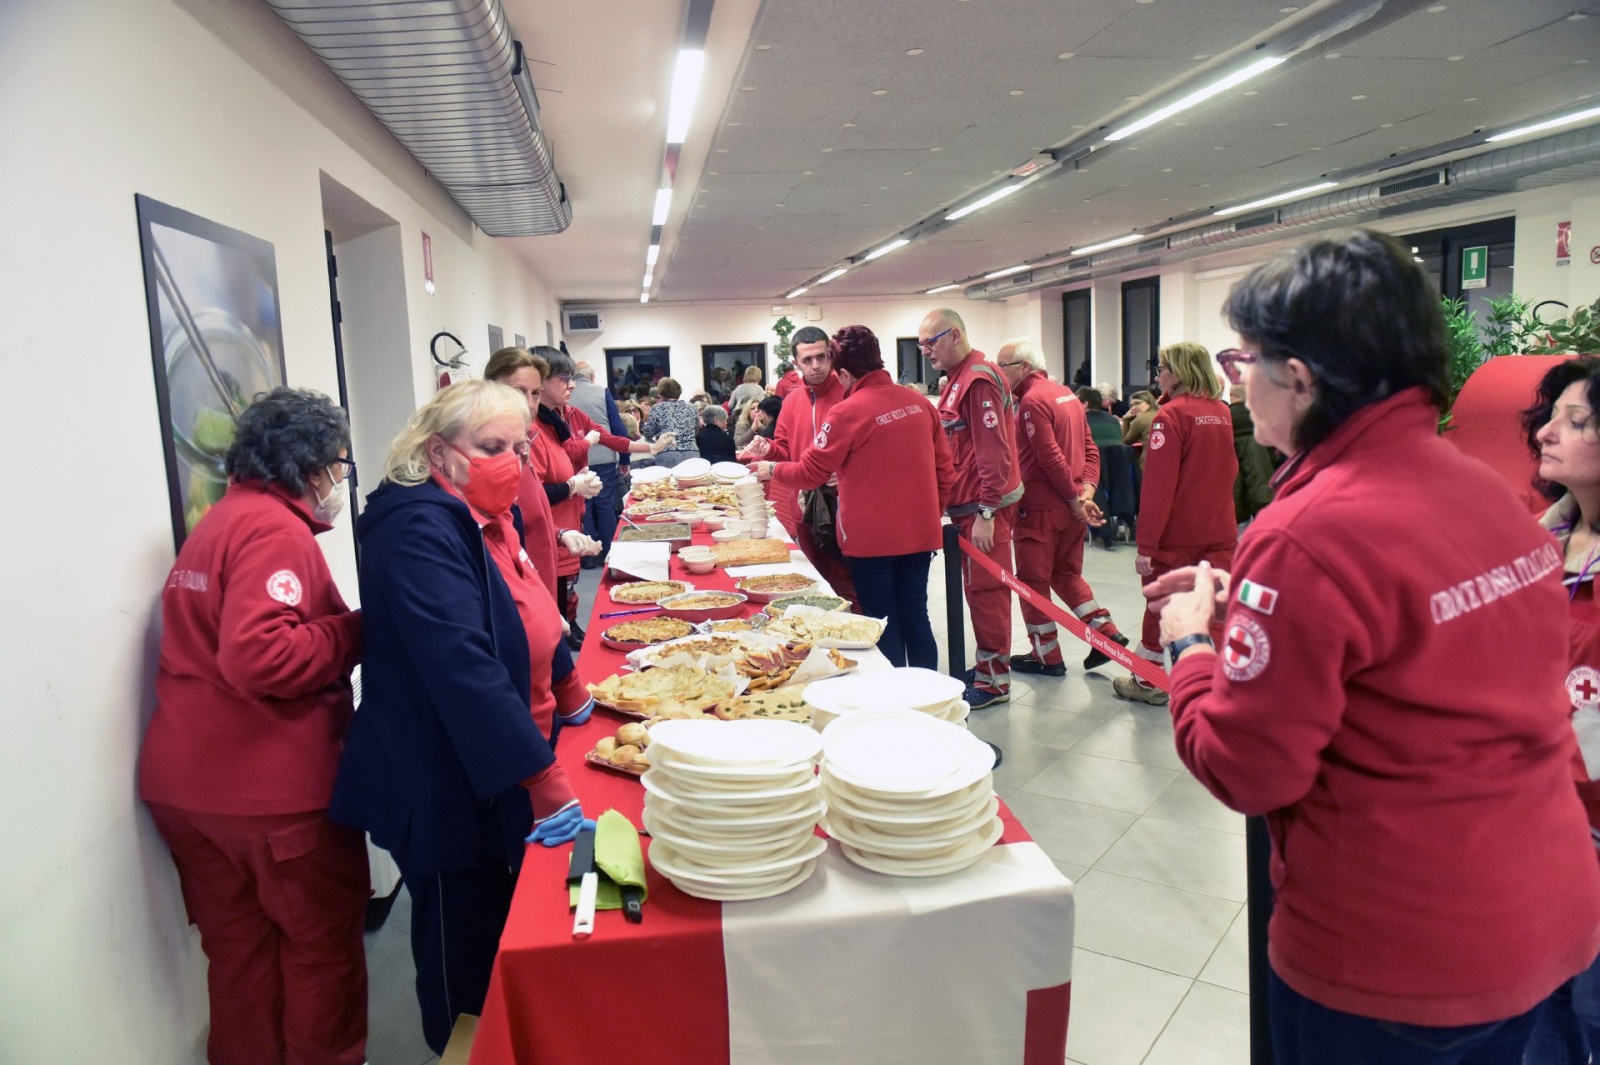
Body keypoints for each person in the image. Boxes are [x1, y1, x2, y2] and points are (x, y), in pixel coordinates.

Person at [1155, 230, 1600, 1064]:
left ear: (1300, 376)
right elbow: (1418, 662)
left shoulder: (1306, 532)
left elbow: (1248, 768)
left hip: (1399, 961)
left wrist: (1191, 651)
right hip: (1542, 913)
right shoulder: (1489, 494)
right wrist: (1248, 622)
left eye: (1244, 357)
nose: (1237, 381)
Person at [331, 380, 593, 1056]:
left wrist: (567, 683)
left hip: (499, 758)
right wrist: (543, 779)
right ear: (438, 451)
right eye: (490, 447)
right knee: (462, 956)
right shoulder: (417, 528)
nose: (509, 460)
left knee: (503, 929)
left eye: (516, 446)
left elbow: (533, 601)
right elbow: (462, 665)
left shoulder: (482, 511)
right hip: (442, 780)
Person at [140, 387, 368, 1065]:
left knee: (239, 956)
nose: (339, 476)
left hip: (189, 786)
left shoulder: (218, 521)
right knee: (320, 952)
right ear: (306, 463)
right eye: (337, 461)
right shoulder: (273, 528)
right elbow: (261, 654)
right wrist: (356, 630)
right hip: (271, 800)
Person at [765, 326, 954, 667]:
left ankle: (893, 702)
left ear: (847, 373)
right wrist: (932, 512)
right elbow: (946, 469)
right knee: (916, 616)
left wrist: (771, 470)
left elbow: (810, 473)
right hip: (920, 535)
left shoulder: (847, 411)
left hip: (871, 541)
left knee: (881, 622)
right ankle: (928, 696)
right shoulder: (919, 403)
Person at [1520, 356, 1600, 1063]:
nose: (1548, 432)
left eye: (1577, 422)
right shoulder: (1538, 541)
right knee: (1540, 1004)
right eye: (1551, 416)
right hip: (1540, 816)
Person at [1114, 341, 1237, 706]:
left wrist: (1147, 545)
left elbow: (1158, 488)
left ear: (1178, 373)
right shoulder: (1221, 412)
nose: (1157, 376)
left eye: (1162, 368)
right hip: (1220, 530)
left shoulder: (1169, 417)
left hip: (1177, 537)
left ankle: (1150, 683)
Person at [996, 339, 1130, 675]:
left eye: (1004, 366)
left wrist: (1075, 499)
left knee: (1033, 583)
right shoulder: (1067, 395)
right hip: (1071, 508)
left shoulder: (1029, 401)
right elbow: (1090, 448)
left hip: (1040, 510)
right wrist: (1086, 492)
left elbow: (1049, 457)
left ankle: (1047, 656)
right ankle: (1106, 633)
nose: (999, 373)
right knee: (1066, 574)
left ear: (1024, 366)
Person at [531, 347, 669, 644]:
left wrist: (649, 447)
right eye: (565, 378)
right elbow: (540, 486)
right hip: (550, 526)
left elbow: (607, 437)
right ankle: (562, 633)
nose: (571, 385)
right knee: (552, 586)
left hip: (569, 516)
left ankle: (569, 624)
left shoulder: (568, 414)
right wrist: (573, 485)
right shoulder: (534, 429)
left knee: (568, 581)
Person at [922, 308, 1023, 708]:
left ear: (956, 335)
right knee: (979, 592)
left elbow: (992, 452)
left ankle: (995, 680)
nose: (925, 349)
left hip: (984, 509)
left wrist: (986, 513)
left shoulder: (977, 379)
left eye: (931, 340)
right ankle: (985, 667)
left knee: (988, 593)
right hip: (969, 505)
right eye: (922, 342)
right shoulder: (960, 378)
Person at [746, 326, 860, 611]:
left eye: (821, 357)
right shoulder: (792, 401)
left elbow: (869, 449)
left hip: (844, 508)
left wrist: (847, 473)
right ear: (795, 364)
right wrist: (769, 449)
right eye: (807, 360)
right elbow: (786, 450)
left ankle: (860, 640)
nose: (816, 365)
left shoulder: (850, 394)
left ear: (831, 356)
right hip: (804, 505)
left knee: (848, 584)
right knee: (814, 580)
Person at [568, 360, 633, 568]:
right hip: (604, 457)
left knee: (583, 507)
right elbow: (617, 427)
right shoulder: (601, 391)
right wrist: (624, 459)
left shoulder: (567, 394)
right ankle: (609, 552)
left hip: (576, 458)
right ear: (592, 376)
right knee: (605, 503)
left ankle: (586, 557)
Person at [1230, 382, 1279, 527]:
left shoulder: (1225, 419)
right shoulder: (1263, 418)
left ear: (1231, 395)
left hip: (1235, 495)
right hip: (1264, 490)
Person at [642, 377, 701, 468]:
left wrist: (644, 420)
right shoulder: (692, 407)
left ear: (661, 392)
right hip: (691, 452)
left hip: (667, 453)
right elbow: (696, 430)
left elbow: (648, 433)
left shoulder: (657, 408)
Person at [1122, 390, 1160, 466]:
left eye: (1137, 403)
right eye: (1131, 405)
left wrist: (1126, 419)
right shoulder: (1161, 414)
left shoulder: (1141, 419)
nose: (1133, 408)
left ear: (1149, 403)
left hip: (1147, 463)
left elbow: (1125, 442)